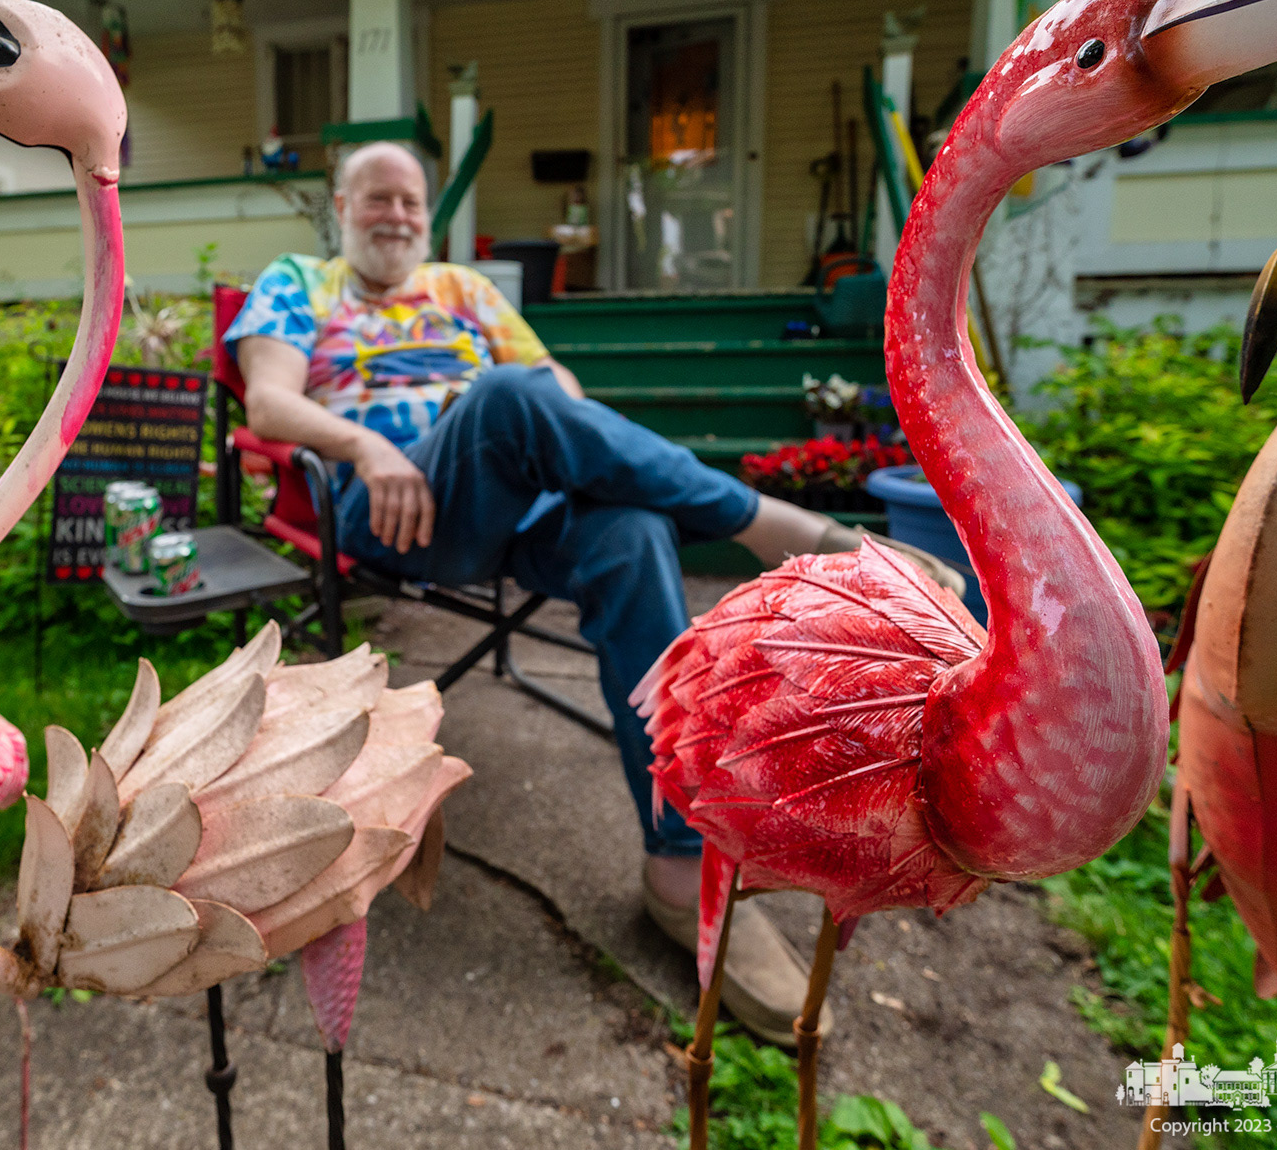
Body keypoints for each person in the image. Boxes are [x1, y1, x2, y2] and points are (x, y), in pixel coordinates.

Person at [228, 141, 960, 1045]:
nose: (397, 216)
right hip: (398, 505)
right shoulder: (301, 280)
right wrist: (368, 447)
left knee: (630, 533)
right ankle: (768, 523)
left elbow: (560, 391)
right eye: (377, 198)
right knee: (502, 397)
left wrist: (557, 436)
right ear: (340, 204)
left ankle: (681, 860)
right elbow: (268, 403)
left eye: (412, 202)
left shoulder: (466, 291)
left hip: (519, 495)